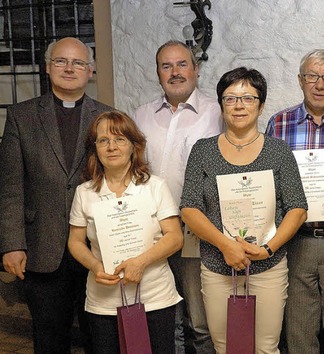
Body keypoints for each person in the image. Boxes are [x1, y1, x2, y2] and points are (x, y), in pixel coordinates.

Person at [181, 67, 308, 353]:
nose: (239, 105)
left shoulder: (278, 150)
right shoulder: (202, 151)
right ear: (221, 105)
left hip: (267, 266)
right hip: (217, 265)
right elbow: (189, 208)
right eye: (230, 98)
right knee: (226, 347)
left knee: (265, 348)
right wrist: (226, 246)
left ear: (261, 106)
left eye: (248, 98)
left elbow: (297, 208)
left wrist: (267, 249)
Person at [0, 37, 112, 353]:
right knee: (49, 340)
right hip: (42, 247)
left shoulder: (107, 117)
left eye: (78, 63)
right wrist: (12, 244)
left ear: (90, 71)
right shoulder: (21, 116)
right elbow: (10, 186)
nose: (69, 68)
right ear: (48, 67)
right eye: (61, 61)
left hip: (97, 248)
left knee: (101, 338)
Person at [265, 49, 324, 354]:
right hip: (296, 241)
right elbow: (267, 179)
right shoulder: (278, 124)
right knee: (299, 329)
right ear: (300, 80)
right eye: (312, 76)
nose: (320, 84)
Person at [67, 110, 183, 353]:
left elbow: (174, 237)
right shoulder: (85, 192)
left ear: (134, 146)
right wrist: (95, 266)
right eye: (103, 140)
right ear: (95, 149)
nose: (112, 146)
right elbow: (76, 242)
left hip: (154, 297)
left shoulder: (155, 187)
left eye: (120, 139)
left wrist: (140, 262)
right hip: (103, 301)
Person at [133, 40, 222, 354]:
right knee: (161, 318)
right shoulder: (140, 116)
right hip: (151, 233)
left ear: (196, 69)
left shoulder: (218, 113)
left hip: (197, 233)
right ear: (157, 73)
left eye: (182, 64)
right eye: (166, 66)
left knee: (200, 320)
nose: (175, 72)